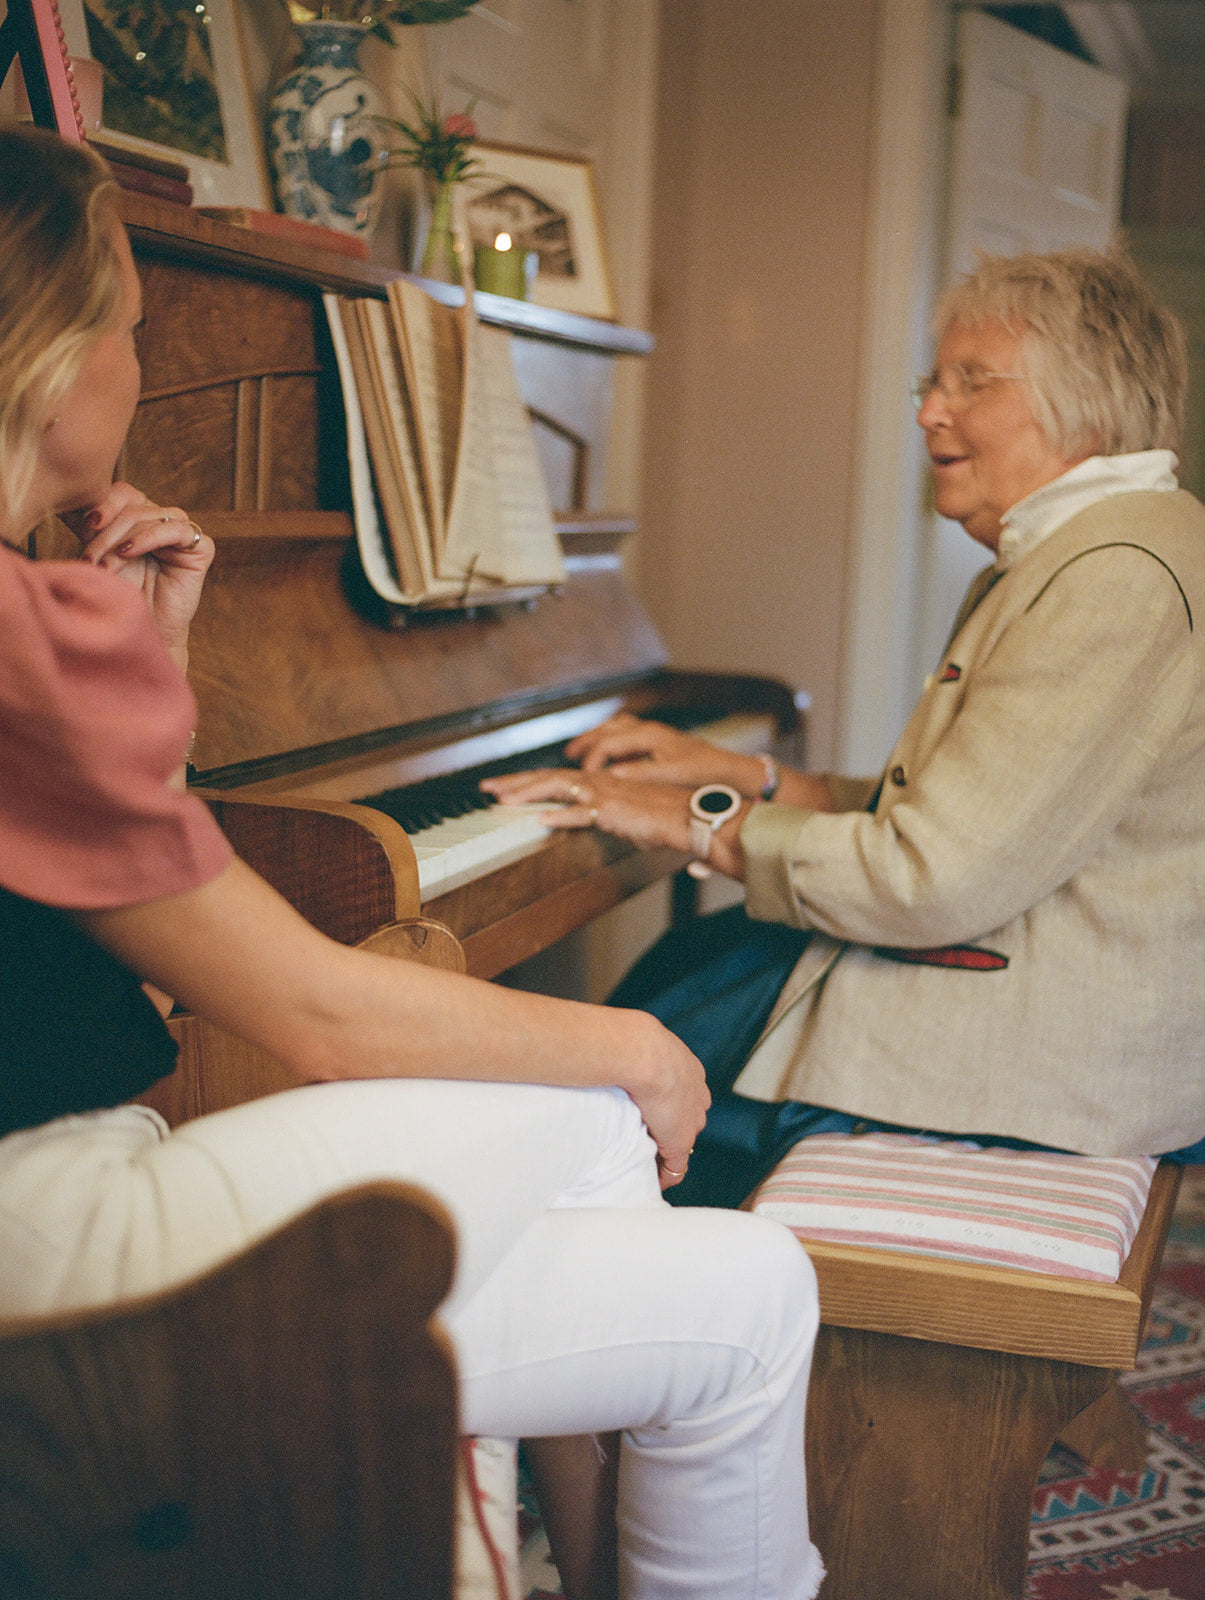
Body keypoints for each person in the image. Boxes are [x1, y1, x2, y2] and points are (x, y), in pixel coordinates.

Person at [0, 123, 825, 1600]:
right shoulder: (16, 630)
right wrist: (628, 1043)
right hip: (53, 1257)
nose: (140, 362)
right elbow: (309, 1010)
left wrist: (155, 663)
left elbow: (90, 867)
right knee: (595, 1100)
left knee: (751, 1288)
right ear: (43, 350)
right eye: (131, 328)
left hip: (67, 1199)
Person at [486, 244, 1205, 1208]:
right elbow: (978, 807)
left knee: (611, 1086)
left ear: (1089, 401)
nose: (928, 411)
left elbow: (932, 875)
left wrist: (688, 821)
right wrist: (752, 781)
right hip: (1020, 990)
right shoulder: (1084, 552)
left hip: (1043, 1065)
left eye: (969, 382)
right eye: (930, 381)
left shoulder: (1115, 575)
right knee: (684, 981)